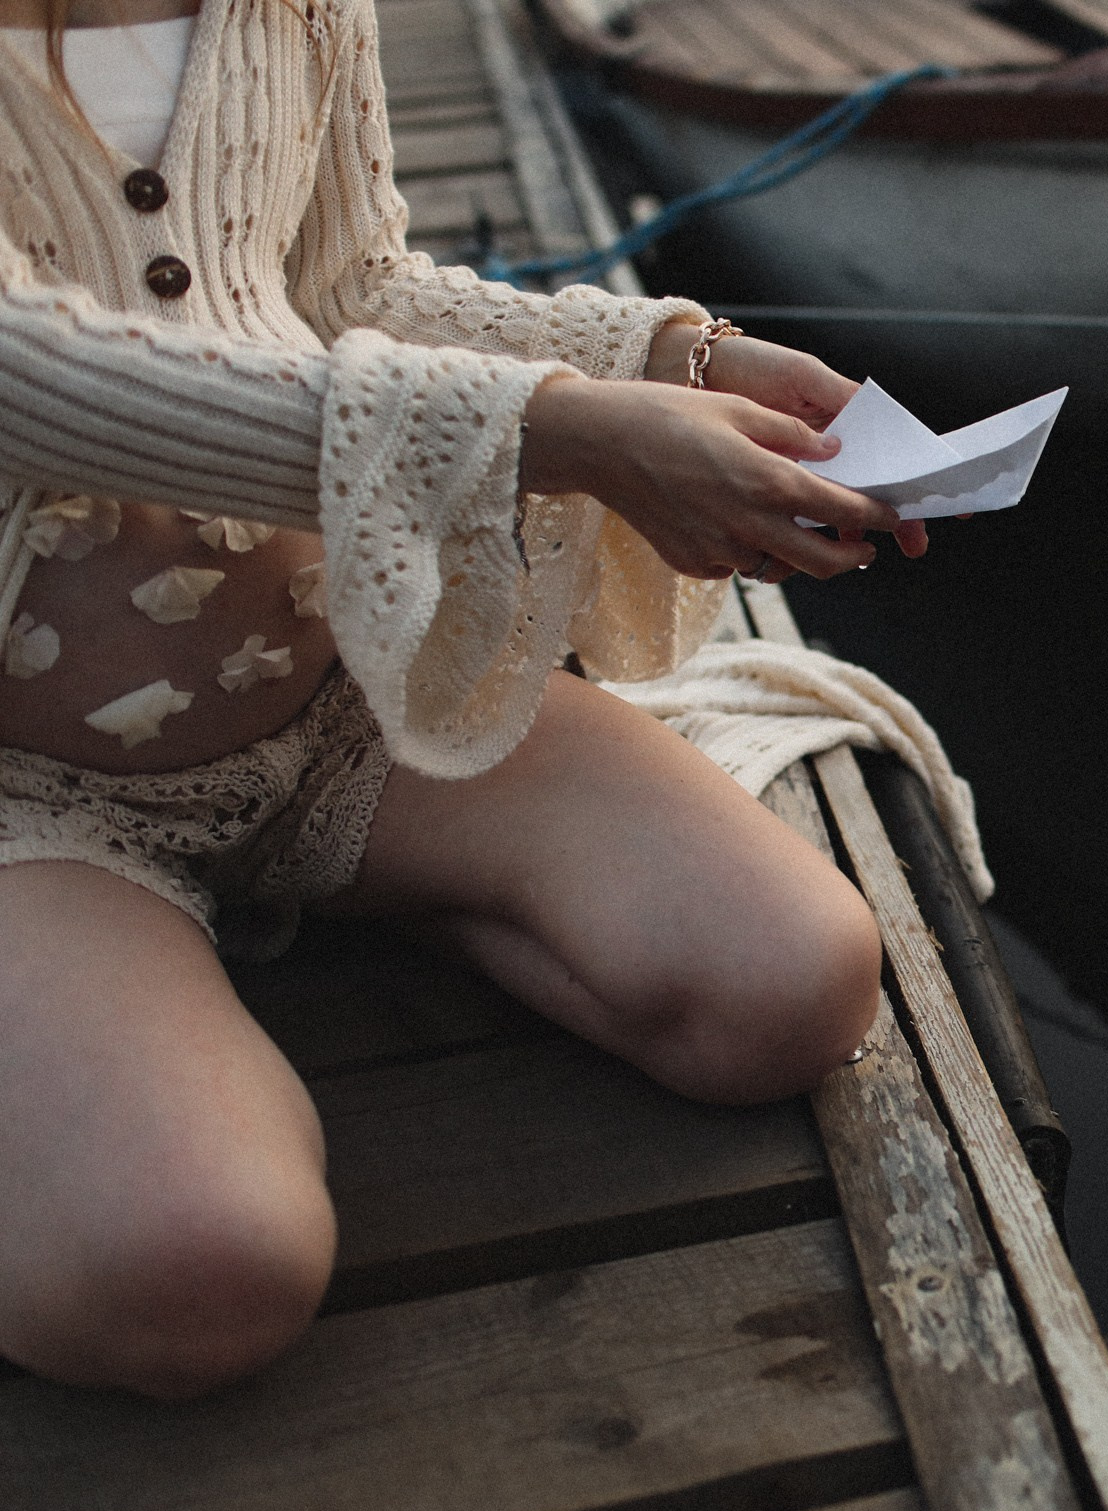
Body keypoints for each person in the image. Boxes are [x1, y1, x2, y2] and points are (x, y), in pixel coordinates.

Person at [0, 0, 929, 1400]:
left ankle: (302, 899)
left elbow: (353, 286)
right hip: (26, 791)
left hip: (338, 698)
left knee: (792, 988)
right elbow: (37, 377)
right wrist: (564, 432)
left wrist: (669, 360)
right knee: (199, 1277)